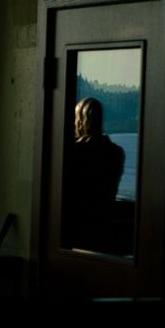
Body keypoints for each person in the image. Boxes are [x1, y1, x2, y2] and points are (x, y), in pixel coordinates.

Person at [60, 96, 125, 252]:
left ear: (82, 122)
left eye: (76, 119)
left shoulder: (74, 152)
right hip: (104, 231)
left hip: (75, 234)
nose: (74, 123)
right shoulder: (116, 153)